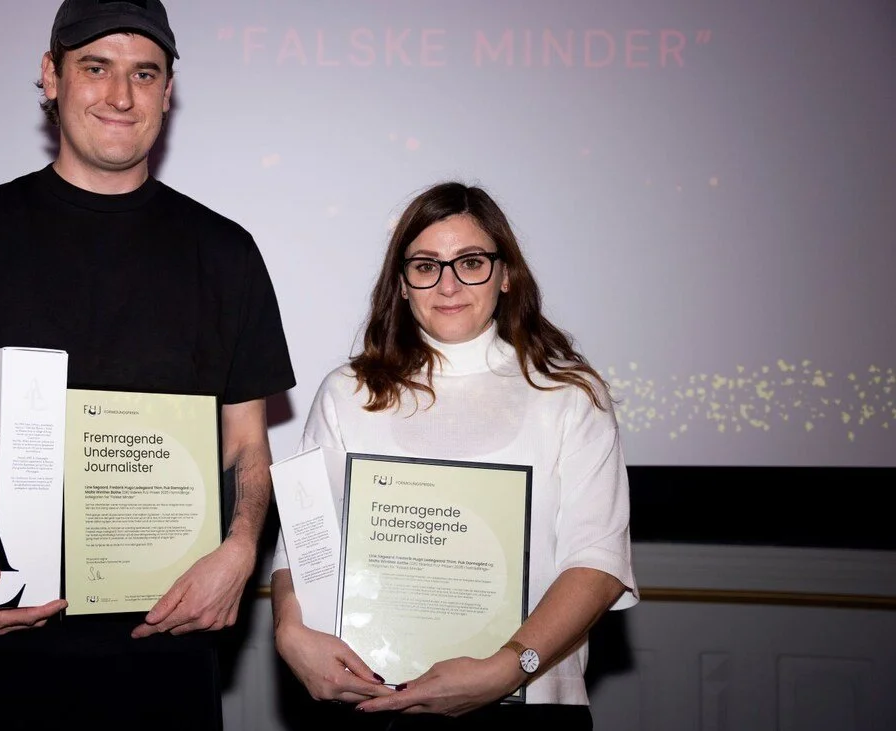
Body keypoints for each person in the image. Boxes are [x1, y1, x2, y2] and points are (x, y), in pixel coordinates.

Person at [0, 1, 295, 728]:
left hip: (168, 650)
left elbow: (248, 444)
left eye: (144, 74)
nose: (121, 95)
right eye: (96, 67)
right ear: (51, 76)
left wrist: (240, 549)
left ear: (168, 91)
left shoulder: (225, 252)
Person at [270, 181, 638, 729]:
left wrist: (510, 667)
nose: (448, 284)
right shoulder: (349, 392)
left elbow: (599, 563)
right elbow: (303, 546)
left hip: (530, 704)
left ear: (505, 274)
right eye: (426, 266)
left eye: (470, 262)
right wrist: (289, 629)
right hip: (374, 700)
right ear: (402, 283)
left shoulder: (568, 395)